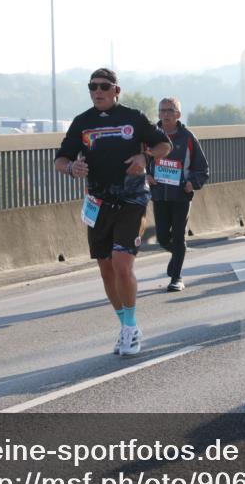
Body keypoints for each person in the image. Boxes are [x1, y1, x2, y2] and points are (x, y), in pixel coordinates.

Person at [55, 68, 172, 356]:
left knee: (122, 265)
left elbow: (164, 145)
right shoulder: (82, 123)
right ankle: (125, 326)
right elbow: (61, 159)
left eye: (104, 87)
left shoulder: (133, 117)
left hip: (132, 200)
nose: (98, 91)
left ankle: (131, 329)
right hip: (98, 203)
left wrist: (144, 157)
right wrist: (71, 168)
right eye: (93, 87)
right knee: (106, 270)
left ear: (116, 90)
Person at [146, 97, 210, 292]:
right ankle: (176, 257)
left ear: (178, 115)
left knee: (179, 236)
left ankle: (177, 277)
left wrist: (192, 183)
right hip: (159, 195)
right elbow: (139, 161)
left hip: (181, 194)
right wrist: (146, 176)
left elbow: (202, 169)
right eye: (162, 110)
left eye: (170, 110)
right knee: (164, 238)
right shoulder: (150, 136)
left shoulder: (188, 137)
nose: (165, 114)